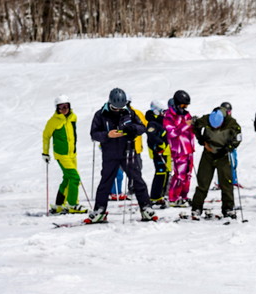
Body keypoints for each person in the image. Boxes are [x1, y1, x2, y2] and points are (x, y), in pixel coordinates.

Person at [89, 87, 154, 222]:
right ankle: (100, 209)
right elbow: (94, 134)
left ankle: (146, 208)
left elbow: (142, 127)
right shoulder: (100, 115)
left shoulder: (129, 113)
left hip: (128, 152)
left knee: (137, 180)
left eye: (121, 107)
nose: (118, 110)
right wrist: (108, 135)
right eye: (115, 107)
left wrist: (133, 129)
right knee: (106, 182)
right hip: (110, 154)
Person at [189, 108, 242, 219]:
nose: (215, 128)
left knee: (226, 183)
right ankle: (196, 208)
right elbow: (196, 126)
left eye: (217, 126)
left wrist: (228, 148)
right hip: (208, 154)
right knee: (203, 181)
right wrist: (202, 140)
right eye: (213, 127)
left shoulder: (232, 123)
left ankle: (228, 208)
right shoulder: (206, 119)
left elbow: (238, 138)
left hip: (223, 155)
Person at [42, 95, 84, 214]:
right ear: (57, 108)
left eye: (66, 106)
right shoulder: (53, 121)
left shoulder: (73, 117)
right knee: (75, 178)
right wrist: (45, 152)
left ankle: (59, 205)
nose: (64, 109)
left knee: (67, 179)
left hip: (72, 154)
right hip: (62, 154)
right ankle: (72, 204)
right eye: (61, 107)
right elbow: (46, 136)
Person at [164, 90, 196, 203]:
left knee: (188, 175)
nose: (184, 107)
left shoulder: (187, 115)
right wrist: (185, 125)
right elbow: (172, 133)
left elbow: (191, 130)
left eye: (186, 105)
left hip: (189, 148)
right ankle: (174, 197)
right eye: (182, 105)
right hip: (178, 149)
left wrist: (195, 124)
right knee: (179, 175)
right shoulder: (169, 116)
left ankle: (184, 196)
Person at [144, 100, 172, 208]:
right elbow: (152, 136)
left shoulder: (161, 122)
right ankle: (155, 197)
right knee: (160, 173)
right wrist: (159, 145)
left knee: (165, 173)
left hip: (165, 151)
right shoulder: (153, 123)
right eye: (162, 112)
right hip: (158, 152)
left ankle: (161, 195)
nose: (164, 114)